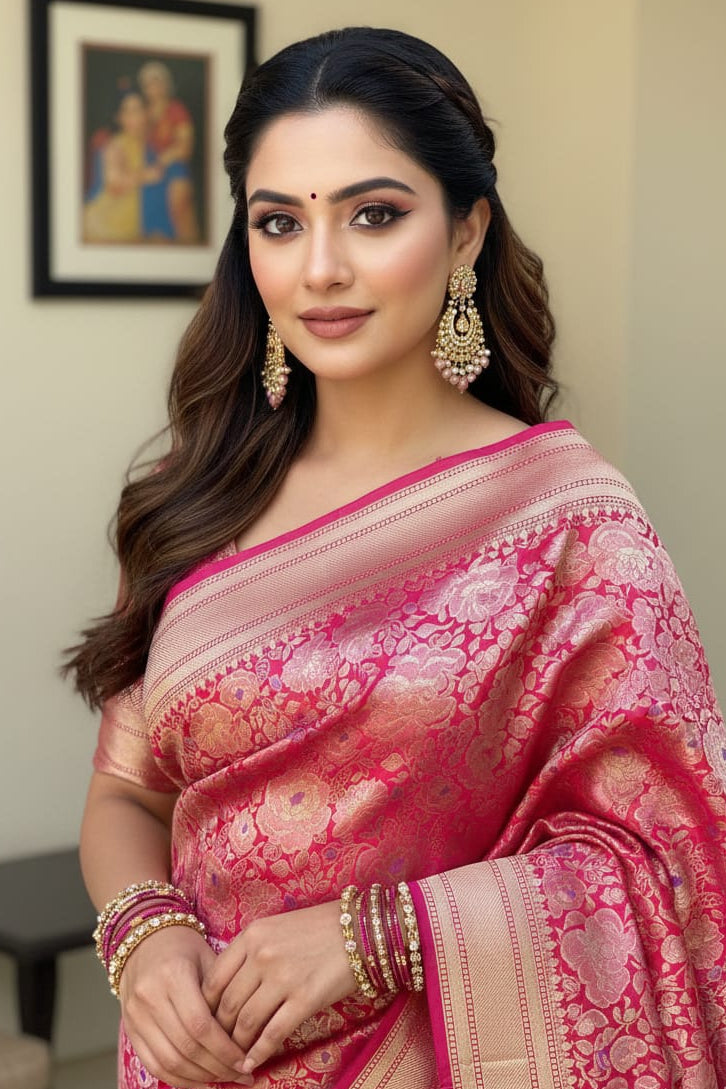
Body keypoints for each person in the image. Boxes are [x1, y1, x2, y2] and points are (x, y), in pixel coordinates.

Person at [65, 27, 726, 1089]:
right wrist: (144, 937)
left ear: (466, 231)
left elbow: (669, 871)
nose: (321, 269)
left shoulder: (573, 526)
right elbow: (127, 798)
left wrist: (383, 935)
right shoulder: (197, 497)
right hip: (195, 1064)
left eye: (375, 215)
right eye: (279, 223)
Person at [83, 88, 163, 244]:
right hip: (105, 223)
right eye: (127, 112)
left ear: (146, 113)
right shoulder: (115, 145)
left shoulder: (148, 147)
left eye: (138, 110)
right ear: (119, 118)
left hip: (132, 225)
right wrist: (146, 176)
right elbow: (115, 184)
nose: (134, 117)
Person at [138, 61, 200, 243]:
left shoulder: (176, 110)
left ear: (166, 84)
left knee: (179, 210)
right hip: (149, 171)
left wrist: (163, 160)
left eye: (157, 81)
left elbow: (185, 147)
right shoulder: (144, 113)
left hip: (173, 168)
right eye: (148, 83)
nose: (153, 87)